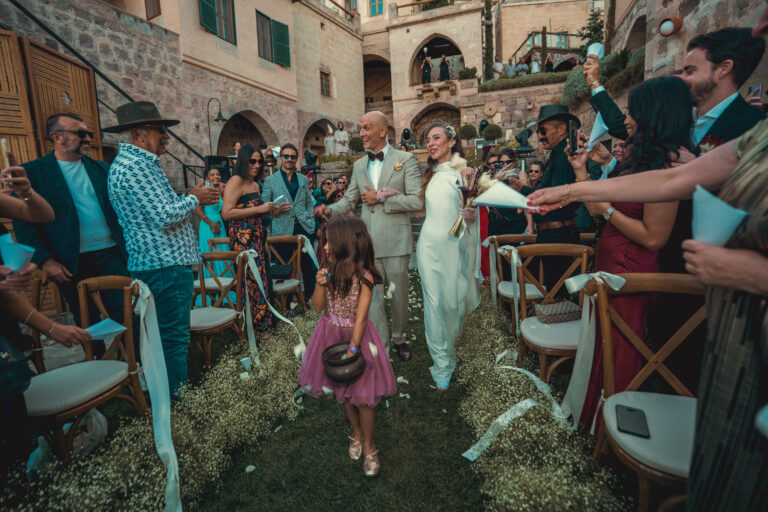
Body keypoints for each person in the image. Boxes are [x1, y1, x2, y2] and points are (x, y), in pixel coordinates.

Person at [529, 10, 768, 504]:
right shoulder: (753, 139)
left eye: (688, 68)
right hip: (727, 315)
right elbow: (671, 181)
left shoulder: (748, 123)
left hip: (703, 292)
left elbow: (658, 223)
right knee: (724, 446)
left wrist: (752, 271)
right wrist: (574, 189)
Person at [569, 77, 696, 431]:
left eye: (632, 112)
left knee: (621, 349)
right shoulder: (641, 159)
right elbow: (604, 199)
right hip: (613, 260)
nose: (626, 120)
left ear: (654, 114)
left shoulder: (667, 165)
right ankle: (593, 419)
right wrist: (581, 171)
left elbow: (654, 237)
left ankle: (614, 429)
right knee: (603, 343)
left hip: (632, 271)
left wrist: (607, 211)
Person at [106, 101, 219, 396]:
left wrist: (188, 197)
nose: (167, 136)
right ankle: (178, 403)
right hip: (163, 267)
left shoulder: (142, 164)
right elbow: (165, 216)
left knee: (166, 337)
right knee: (173, 339)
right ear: (138, 134)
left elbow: (161, 209)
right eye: (160, 130)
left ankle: (167, 397)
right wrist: (195, 197)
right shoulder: (134, 167)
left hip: (163, 265)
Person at [12, 113, 129, 351]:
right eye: (80, 133)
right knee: (87, 323)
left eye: (89, 134)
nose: (87, 139)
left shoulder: (101, 169)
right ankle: (100, 371)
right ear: (57, 137)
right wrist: (46, 261)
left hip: (112, 255)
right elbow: (24, 223)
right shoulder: (33, 173)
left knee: (126, 316)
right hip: (70, 263)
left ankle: (136, 371)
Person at [315, 111, 422, 362]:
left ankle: (399, 337)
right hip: (366, 247)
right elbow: (350, 199)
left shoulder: (405, 159)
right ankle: (381, 349)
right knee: (371, 300)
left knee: (398, 298)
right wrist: (330, 210)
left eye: (366, 128)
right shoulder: (360, 165)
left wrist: (383, 197)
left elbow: (417, 199)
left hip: (396, 243)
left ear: (383, 131)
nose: (361, 133)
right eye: (361, 128)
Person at [296, 216, 396, 478]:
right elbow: (318, 308)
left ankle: (370, 446)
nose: (325, 246)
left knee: (363, 396)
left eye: (329, 241)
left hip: (356, 336)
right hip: (329, 333)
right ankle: (357, 433)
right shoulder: (328, 272)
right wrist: (319, 284)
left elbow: (361, 317)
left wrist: (352, 350)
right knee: (343, 388)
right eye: (324, 241)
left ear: (346, 243)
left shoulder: (365, 277)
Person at [417, 121, 481, 389]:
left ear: (451, 141)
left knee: (454, 302)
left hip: (454, 245)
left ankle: (456, 350)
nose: (430, 144)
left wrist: (470, 216)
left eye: (435, 138)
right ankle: (442, 363)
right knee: (433, 303)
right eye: (427, 140)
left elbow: (472, 216)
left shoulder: (466, 174)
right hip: (428, 247)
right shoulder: (429, 176)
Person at [513, 104, 581, 293]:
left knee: (559, 294)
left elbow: (554, 196)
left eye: (542, 130)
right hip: (552, 236)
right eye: (538, 132)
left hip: (559, 236)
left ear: (561, 128)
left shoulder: (565, 155)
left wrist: (523, 188)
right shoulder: (557, 155)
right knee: (555, 290)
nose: (540, 136)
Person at [221, 145, 276, 332]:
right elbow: (226, 213)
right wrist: (259, 209)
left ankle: (265, 328)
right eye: (252, 161)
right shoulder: (235, 181)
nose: (257, 165)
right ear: (244, 161)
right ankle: (257, 331)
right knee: (253, 285)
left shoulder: (255, 185)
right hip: (244, 243)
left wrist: (272, 211)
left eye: (260, 161)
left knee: (263, 284)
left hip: (258, 241)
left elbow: (256, 213)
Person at [261, 143, 317, 297]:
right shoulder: (270, 181)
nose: (289, 159)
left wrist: (309, 218)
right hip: (282, 230)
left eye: (293, 157)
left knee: (308, 266)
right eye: (286, 156)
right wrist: (276, 211)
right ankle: (286, 302)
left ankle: (309, 299)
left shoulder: (303, 179)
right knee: (283, 268)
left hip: (304, 228)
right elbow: (264, 208)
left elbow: (308, 202)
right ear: (280, 158)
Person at [194, 168, 228, 280]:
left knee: (224, 255)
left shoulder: (219, 191)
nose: (216, 177)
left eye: (217, 174)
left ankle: (226, 286)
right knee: (211, 255)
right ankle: (210, 288)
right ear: (207, 178)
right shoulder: (205, 191)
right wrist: (211, 224)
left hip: (220, 225)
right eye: (212, 175)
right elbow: (197, 210)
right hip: (208, 226)